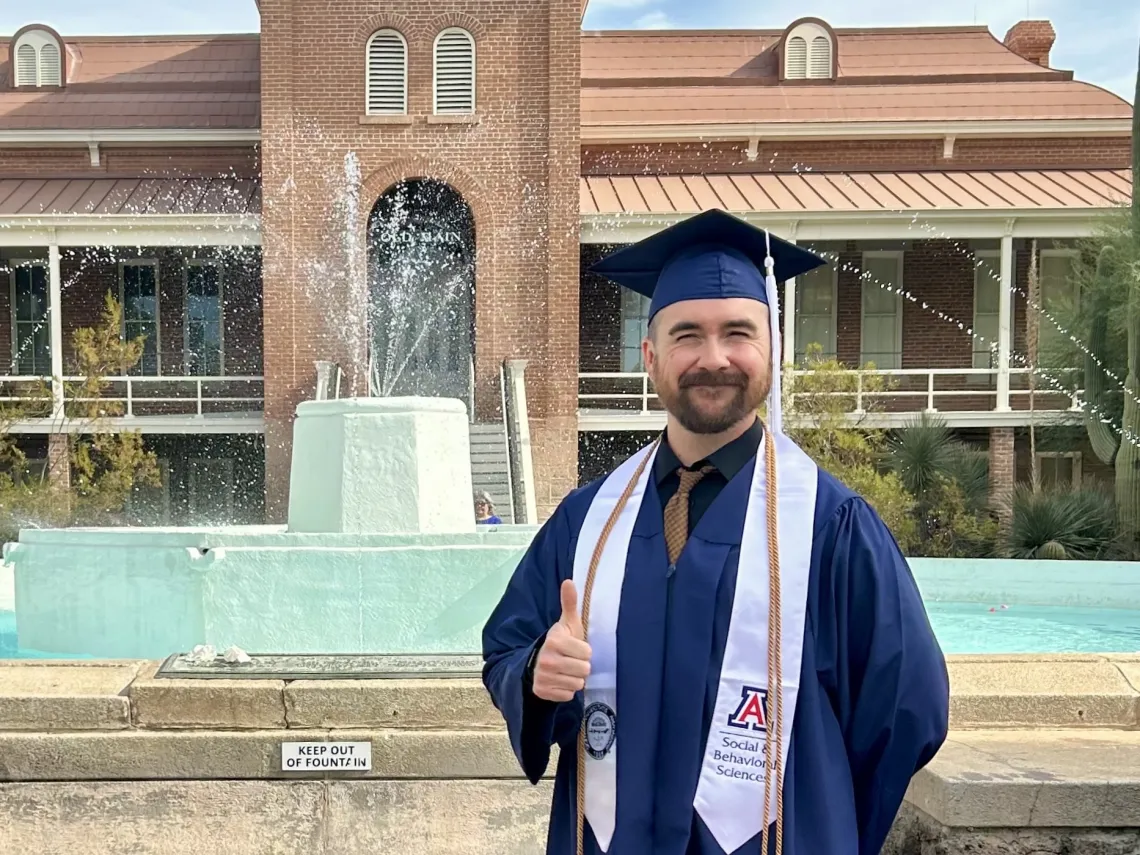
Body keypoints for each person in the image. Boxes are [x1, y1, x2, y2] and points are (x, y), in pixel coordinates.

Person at [481, 208, 950, 855]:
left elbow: (906, 707)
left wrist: (826, 818)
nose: (714, 357)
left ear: (770, 349)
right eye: (687, 335)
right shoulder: (587, 520)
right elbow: (508, 648)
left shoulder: (831, 526)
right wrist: (537, 674)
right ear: (651, 355)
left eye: (738, 332)